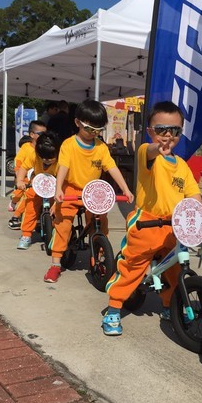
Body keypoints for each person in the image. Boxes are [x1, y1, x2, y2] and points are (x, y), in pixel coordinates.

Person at [102, 101, 202, 336]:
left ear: (180, 133)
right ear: (150, 132)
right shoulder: (147, 152)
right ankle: (113, 307)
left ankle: (169, 305)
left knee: (175, 269)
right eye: (161, 130)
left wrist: (201, 213)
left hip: (172, 226)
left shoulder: (182, 166)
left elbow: (192, 194)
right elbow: (151, 151)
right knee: (132, 267)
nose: (167, 136)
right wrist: (156, 148)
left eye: (174, 131)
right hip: (146, 223)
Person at [46, 99, 134, 283]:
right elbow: (62, 167)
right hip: (70, 188)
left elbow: (112, 168)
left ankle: (101, 252)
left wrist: (126, 189)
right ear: (77, 122)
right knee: (63, 223)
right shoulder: (69, 145)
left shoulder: (101, 147)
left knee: (100, 221)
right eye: (90, 129)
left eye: (98, 130)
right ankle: (55, 264)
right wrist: (58, 189)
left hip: (93, 191)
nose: (93, 134)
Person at [15, 133, 59, 250]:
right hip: (37, 184)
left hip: (54, 187)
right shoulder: (34, 155)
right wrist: (20, 181)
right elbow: (24, 168)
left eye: (51, 158)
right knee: (31, 209)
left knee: (58, 210)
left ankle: (56, 233)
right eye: (43, 158)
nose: (47, 161)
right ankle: (26, 235)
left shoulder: (61, 160)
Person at [8, 120, 48, 230]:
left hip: (41, 178)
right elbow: (19, 163)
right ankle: (16, 216)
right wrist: (19, 177)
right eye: (41, 134)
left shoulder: (46, 147)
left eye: (45, 134)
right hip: (26, 177)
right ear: (32, 134)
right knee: (27, 195)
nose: (44, 137)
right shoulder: (26, 147)